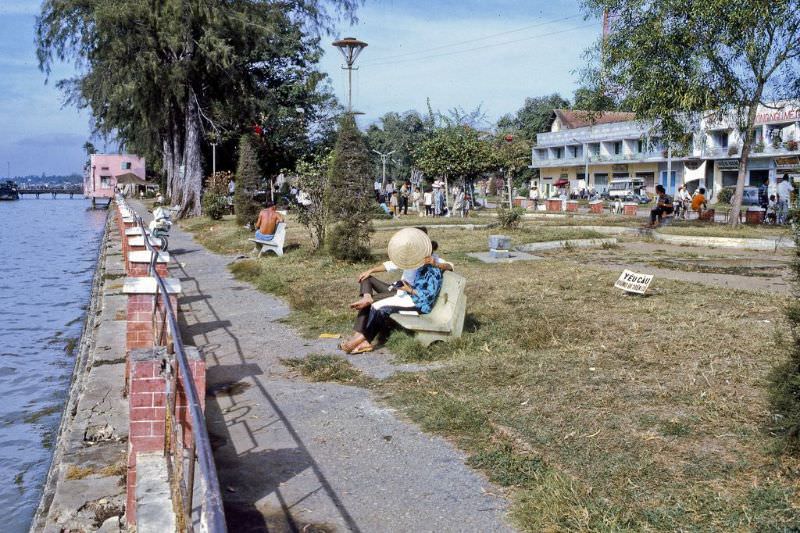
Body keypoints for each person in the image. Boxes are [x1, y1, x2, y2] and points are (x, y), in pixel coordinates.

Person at [341, 228, 447, 354]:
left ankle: (361, 339)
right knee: (372, 299)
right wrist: (371, 270)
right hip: (406, 294)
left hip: (413, 299)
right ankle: (361, 336)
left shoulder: (432, 266)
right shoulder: (412, 258)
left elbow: (430, 292)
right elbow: (390, 265)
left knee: (377, 307)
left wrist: (411, 289)